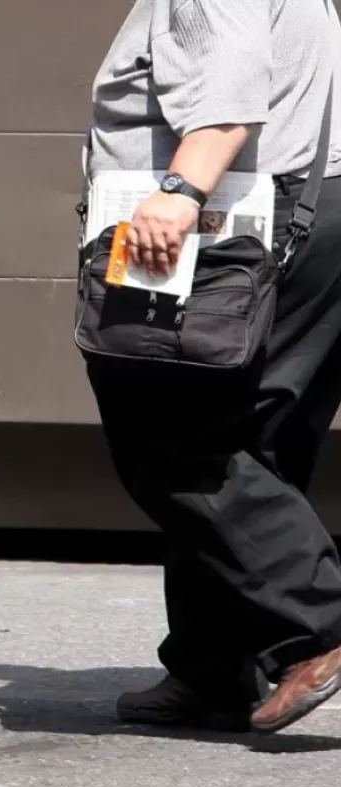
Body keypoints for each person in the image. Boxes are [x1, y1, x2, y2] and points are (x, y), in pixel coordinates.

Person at [84, 0, 341, 734]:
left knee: (169, 436)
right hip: (311, 208)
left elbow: (227, 94)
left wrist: (180, 191)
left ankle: (320, 621)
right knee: (256, 441)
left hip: (226, 225)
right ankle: (217, 663)